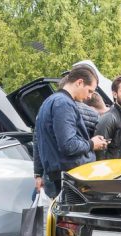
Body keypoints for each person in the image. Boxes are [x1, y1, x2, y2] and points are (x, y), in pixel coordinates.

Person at [34, 65, 108, 199]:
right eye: (90, 91)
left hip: (58, 179)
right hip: (70, 180)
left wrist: (38, 173)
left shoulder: (47, 102)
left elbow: (38, 140)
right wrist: (92, 144)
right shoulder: (64, 103)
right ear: (79, 82)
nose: (89, 96)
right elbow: (68, 145)